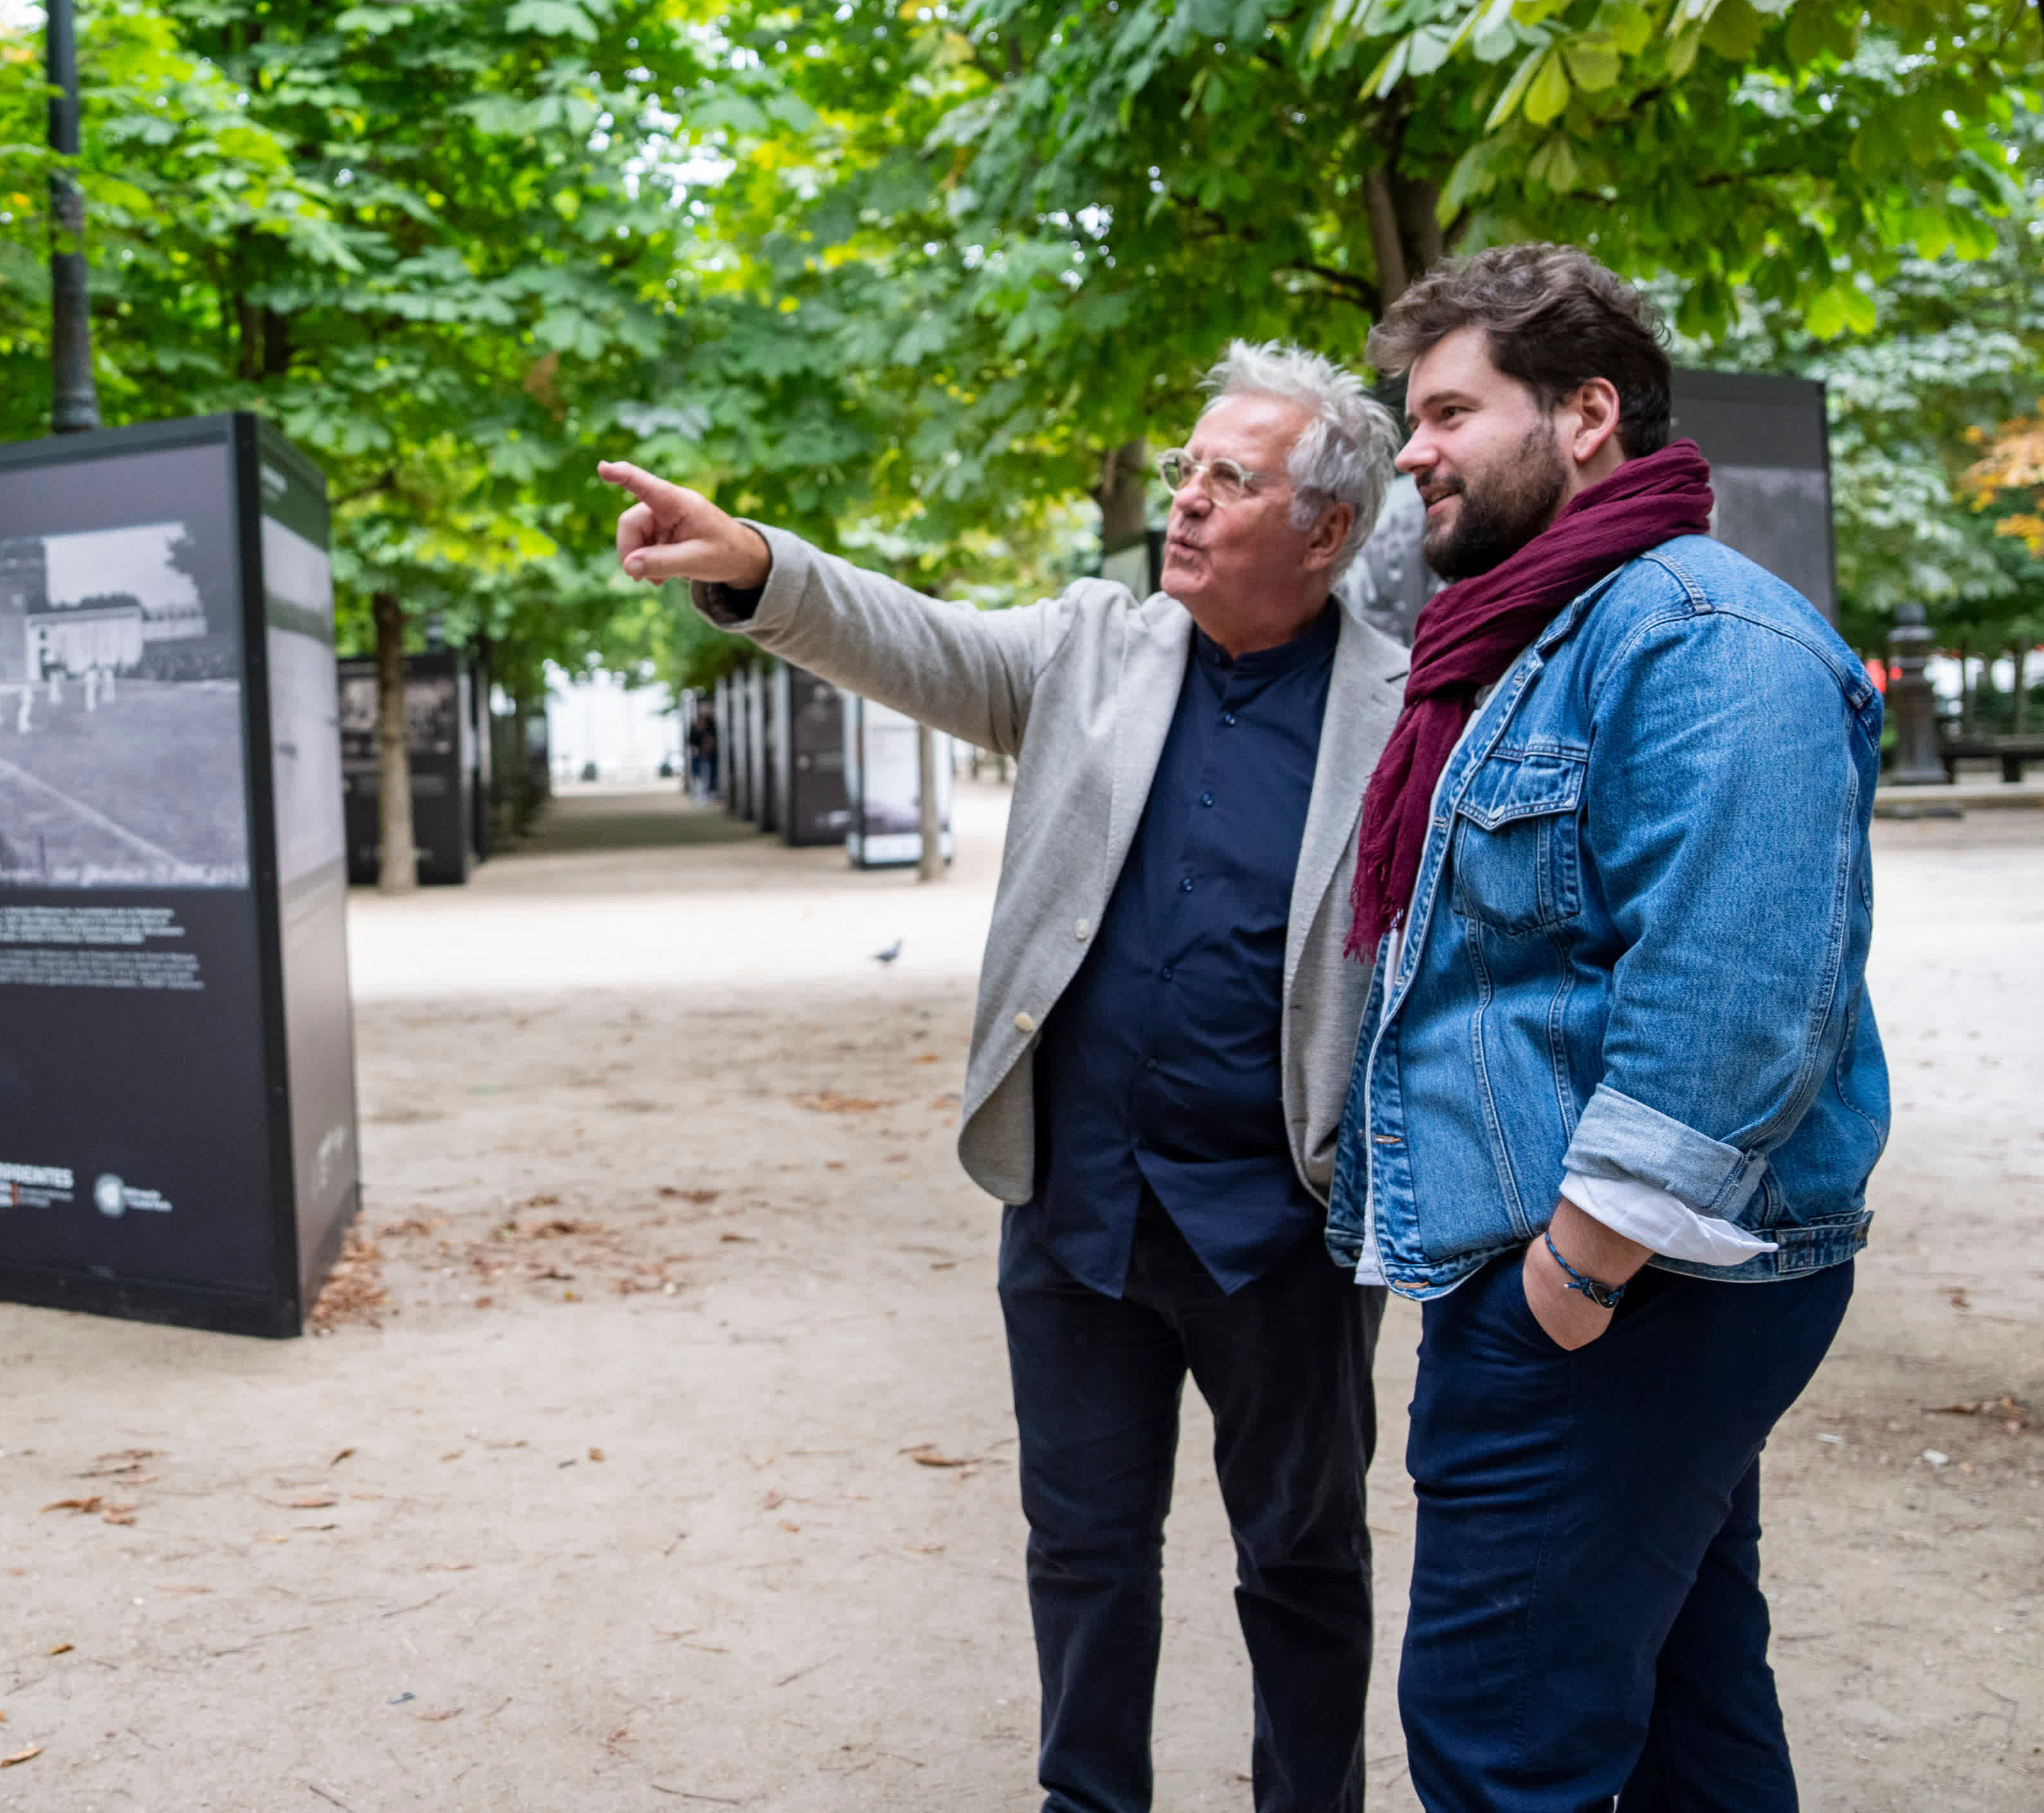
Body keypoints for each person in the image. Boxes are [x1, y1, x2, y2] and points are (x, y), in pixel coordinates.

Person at [605, 342, 1408, 1813]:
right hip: (1077, 1210)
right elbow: (917, 640)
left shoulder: (1403, 707)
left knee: (1301, 1556)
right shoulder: (1094, 645)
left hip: (1282, 1230)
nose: (1187, 501)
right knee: (1083, 1544)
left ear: (1327, 528)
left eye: (1231, 479)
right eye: (1184, 467)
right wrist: (757, 565)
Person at [1332, 246, 1886, 1810]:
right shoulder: (1527, 636)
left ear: (1587, 412)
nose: (1414, 449)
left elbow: (1739, 999)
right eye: (1407, 413)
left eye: (1448, 410)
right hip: (1593, 1283)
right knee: (1687, 1720)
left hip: (1624, 1289)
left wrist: (1570, 1275)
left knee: (1500, 1731)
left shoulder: (1704, 634)